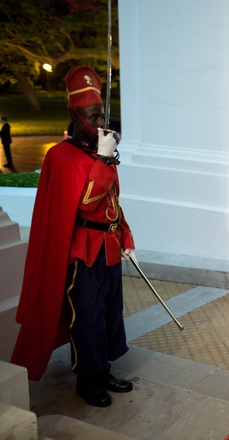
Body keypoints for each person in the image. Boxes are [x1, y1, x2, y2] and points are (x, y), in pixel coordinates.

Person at [11, 66, 135, 407]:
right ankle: (88, 378)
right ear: (74, 116)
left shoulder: (99, 153)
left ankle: (104, 368)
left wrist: (126, 240)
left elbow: (113, 204)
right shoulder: (61, 156)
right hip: (82, 251)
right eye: (93, 117)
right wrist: (104, 159)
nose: (100, 124)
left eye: (102, 116)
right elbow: (87, 202)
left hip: (108, 247)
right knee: (87, 315)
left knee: (110, 313)